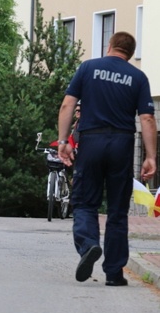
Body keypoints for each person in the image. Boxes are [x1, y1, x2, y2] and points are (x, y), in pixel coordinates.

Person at [57, 31, 157, 287]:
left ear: (109, 46)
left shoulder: (88, 67)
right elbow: (146, 118)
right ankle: (114, 273)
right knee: (117, 211)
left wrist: (62, 141)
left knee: (84, 203)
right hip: (122, 145)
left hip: (92, 141)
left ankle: (89, 244)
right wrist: (150, 156)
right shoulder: (138, 76)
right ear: (130, 54)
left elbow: (68, 105)